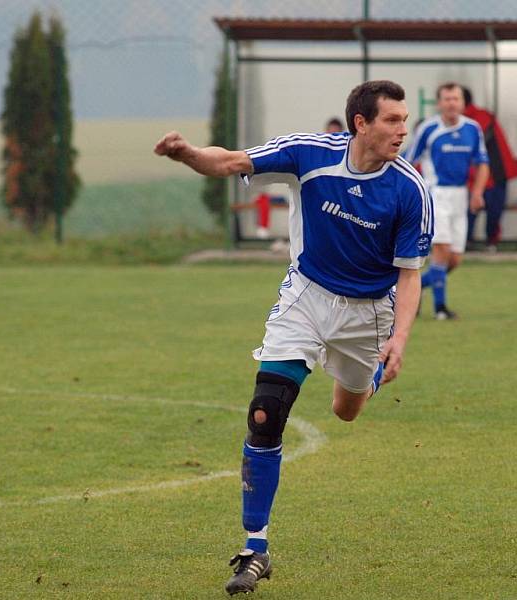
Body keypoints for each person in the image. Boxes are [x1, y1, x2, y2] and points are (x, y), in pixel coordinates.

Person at [154, 80, 433, 596]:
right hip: (305, 297)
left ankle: (361, 378)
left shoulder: (409, 189)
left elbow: (410, 274)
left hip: (368, 315)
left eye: (405, 119)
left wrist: (400, 337)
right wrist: (189, 154)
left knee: (345, 411)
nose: (403, 129)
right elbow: (231, 161)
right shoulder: (308, 154)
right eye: (392, 120)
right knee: (266, 411)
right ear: (361, 123)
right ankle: (254, 549)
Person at [405, 82, 489, 320]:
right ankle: (441, 310)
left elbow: (483, 163)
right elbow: (409, 161)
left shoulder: (472, 129)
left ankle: (414, 288)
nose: (452, 103)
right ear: (439, 103)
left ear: (463, 103)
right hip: (435, 194)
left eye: (456, 99)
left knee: (455, 259)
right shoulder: (429, 129)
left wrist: (477, 192)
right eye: (447, 99)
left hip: (460, 196)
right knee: (440, 250)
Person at [462, 87, 517, 251]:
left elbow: (474, 143)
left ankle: (491, 243)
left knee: (493, 212)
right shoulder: (459, 121)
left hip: (495, 173)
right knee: (469, 212)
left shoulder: (481, 117)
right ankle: (467, 242)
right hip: (474, 175)